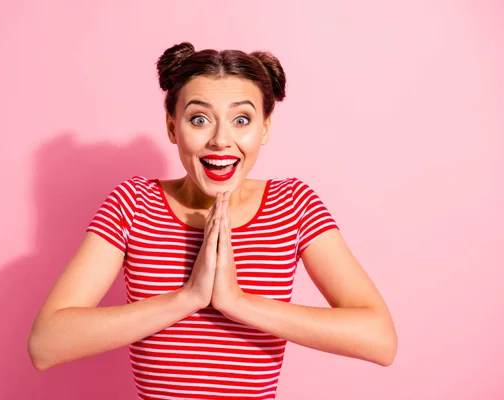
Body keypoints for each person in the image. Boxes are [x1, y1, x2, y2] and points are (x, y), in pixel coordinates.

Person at [28, 41, 398, 399]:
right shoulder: (134, 203)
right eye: (199, 119)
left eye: (241, 120)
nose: (221, 140)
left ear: (265, 128)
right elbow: (46, 345)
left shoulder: (293, 205)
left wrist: (235, 302)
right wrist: (188, 297)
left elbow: (379, 340)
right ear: (173, 127)